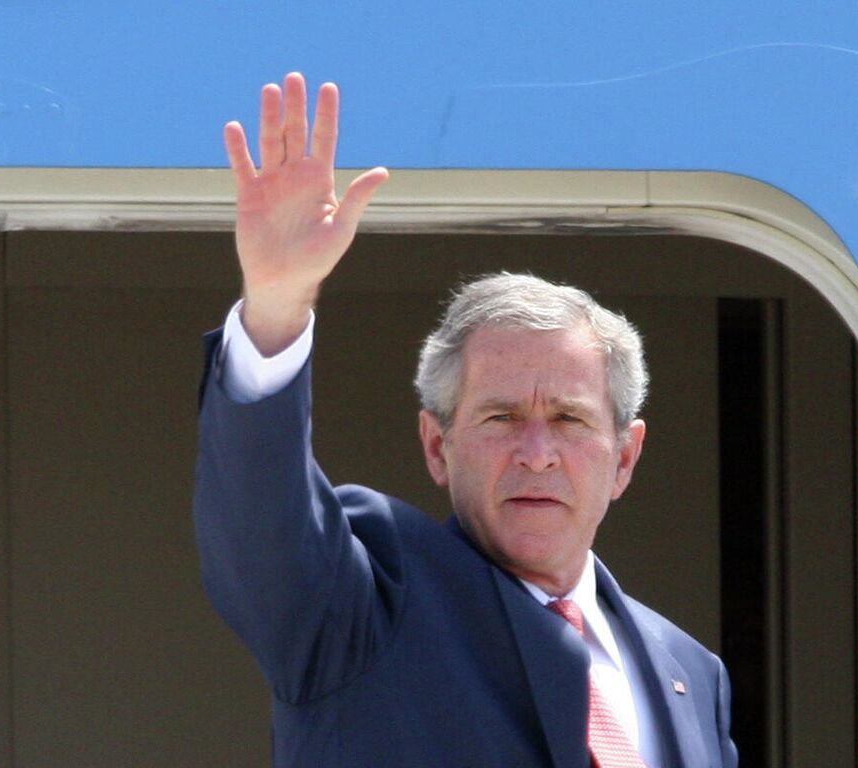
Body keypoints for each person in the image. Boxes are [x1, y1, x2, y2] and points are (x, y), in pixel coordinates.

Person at [194, 72, 738, 767]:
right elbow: (260, 528)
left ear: (625, 458)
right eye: (501, 417)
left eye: (570, 419)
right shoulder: (367, 604)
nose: (536, 452)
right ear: (437, 445)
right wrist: (276, 306)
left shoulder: (692, 674)